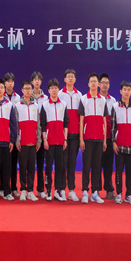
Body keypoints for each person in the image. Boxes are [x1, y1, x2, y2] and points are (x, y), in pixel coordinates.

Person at [79, 73, 108, 204]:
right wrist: (81, 139)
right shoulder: (84, 99)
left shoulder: (103, 100)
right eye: (91, 81)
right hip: (87, 138)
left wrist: (105, 140)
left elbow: (104, 121)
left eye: (95, 81)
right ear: (88, 84)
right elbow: (81, 121)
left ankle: (95, 192)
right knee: (86, 166)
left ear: (98, 84)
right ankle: (85, 191)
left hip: (99, 139)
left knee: (97, 166)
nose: (93, 83)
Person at [111, 81, 131, 205]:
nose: (126, 92)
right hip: (119, 144)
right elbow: (113, 126)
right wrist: (113, 142)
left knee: (130, 171)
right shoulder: (115, 106)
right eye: (124, 89)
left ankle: (128, 194)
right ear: (120, 91)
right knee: (118, 170)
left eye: (128, 90)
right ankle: (118, 194)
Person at [40, 78, 69, 201]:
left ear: (58, 89)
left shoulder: (63, 104)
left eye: (56, 88)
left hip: (60, 141)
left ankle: (58, 191)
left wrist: (65, 139)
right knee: (48, 167)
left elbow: (66, 123)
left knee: (60, 167)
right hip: (49, 141)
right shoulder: (45, 105)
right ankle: (48, 191)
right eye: (51, 88)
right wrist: (45, 140)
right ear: (48, 90)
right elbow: (43, 124)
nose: (54, 90)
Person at [58, 69, 83, 201]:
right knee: (63, 163)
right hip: (63, 135)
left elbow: (81, 117)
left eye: (73, 76)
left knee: (72, 164)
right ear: (64, 79)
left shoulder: (80, 95)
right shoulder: (60, 94)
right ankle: (61, 189)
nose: (71, 78)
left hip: (76, 134)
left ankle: (72, 190)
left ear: (75, 79)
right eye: (68, 76)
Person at [15, 80, 41, 202]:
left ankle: (30, 191)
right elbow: (15, 125)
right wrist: (17, 140)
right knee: (23, 167)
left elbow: (39, 125)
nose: (27, 91)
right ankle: (23, 190)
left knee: (31, 168)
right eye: (25, 89)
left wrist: (38, 140)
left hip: (33, 142)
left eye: (29, 89)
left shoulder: (36, 106)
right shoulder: (17, 106)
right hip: (22, 142)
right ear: (22, 90)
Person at [99, 73, 117, 200]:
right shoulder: (94, 98)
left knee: (108, 166)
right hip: (97, 137)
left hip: (109, 138)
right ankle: (95, 190)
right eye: (103, 82)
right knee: (96, 165)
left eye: (107, 83)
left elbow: (114, 120)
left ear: (109, 85)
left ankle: (109, 190)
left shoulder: (113, 101)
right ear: (99, 84)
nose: (104, 85)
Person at [3, 72, 21, 198]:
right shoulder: (0, 96)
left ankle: (14, 187)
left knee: (14, 163)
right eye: (8, 81)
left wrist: (16, 136)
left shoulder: (17, 98)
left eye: (12, 81)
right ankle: (3, 188)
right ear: (4, 83)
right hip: (3, 135)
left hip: (13, 136)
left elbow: (18, 119)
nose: (10, 84)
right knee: (3, 164)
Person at [31, 71, 47, 199]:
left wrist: (44, 135)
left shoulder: (45, 99)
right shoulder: (26, 97)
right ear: (32, 82)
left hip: (42, 136)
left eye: (39, 79)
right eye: (35, 79)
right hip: (30, 136)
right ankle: (28, 189)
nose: (37, 81)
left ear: (41, 82)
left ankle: (41, 189)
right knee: (29, 165)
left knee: (41, 164)